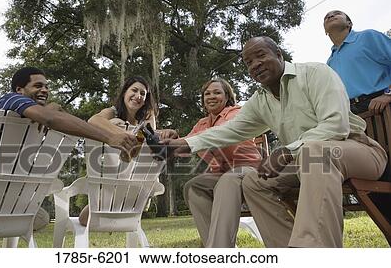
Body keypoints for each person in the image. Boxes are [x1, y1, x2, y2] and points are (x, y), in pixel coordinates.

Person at [162, 36, 387, 247]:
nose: (255, 65)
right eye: (249, 62)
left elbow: (336, 125)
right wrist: (187, 143)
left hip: (358, 151)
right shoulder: (260, 100)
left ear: (278, 54)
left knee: (314, 152)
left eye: (260, 56)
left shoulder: (315, 73)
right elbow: (230, 130)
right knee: (254, 181)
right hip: (304, 162)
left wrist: (288, 151)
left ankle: (313, 250)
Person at [0, 67, 138, 233]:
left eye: (46, 86)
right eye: (37, 86)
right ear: (19, 90)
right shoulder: (9, 100)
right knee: (37, 217)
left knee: (41, 217)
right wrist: (110, 137)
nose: (44, 90)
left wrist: (53, 107)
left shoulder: (32, 119)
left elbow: (54, 116)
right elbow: (51, 119)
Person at [162, 78, 261, 247]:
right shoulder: (202, 123)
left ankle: (219, 251)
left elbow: (217, 134)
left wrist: (182, 143)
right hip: (221, 174)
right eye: (207, 93)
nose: (211, 96)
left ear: (227, 96)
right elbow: (187, 144)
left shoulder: (236, 113)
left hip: (248, 171)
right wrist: (166, 141)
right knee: (193, 187)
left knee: (227, 180)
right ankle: (217, 248)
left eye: (217, 92)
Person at [78, 76, 157, 226]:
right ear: (124, 93)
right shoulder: (112, 112)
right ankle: (118, 191)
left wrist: (149, 115)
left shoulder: (146, 117)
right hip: (112, 176)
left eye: (143, 93)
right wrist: (124, 134)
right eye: (134, 90)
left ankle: (132, 190)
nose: (138, 96)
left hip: (136, 177)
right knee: (84, 219)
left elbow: (151, 135)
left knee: (148, 134)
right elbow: (93, 121)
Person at [324, 10, 391, 114]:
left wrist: (388, 94)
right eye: (326, 17)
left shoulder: (368, 36)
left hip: (382, 105)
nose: (331, 16)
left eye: (337, 13)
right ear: (325, 31)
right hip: (352, 116)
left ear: (349, 24)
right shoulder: (329, 63)